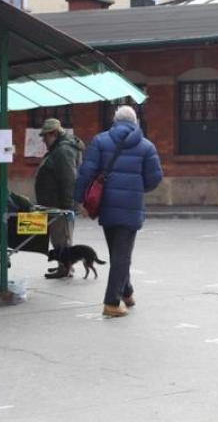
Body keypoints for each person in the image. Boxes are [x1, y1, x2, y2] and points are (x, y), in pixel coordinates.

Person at [73, 106, 163, 318]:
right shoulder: (146, 146)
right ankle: (112, 303)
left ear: (115, 120)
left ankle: (127, 292)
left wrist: (79, 200)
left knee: (118, 253)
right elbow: (155, 178)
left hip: (106, 204)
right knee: (121, 255)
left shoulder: (100, 141)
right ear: (135, 122)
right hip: (131, 206)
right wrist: (138, 188)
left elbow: (86, 172)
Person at [34, 118, 82, 279]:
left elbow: (69, 179)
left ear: (54, 134)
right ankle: (63, 265)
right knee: (58, 237)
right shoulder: (60, 148)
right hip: (55, 203)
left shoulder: (63, 150)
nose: (43, 140)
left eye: (45, 136)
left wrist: (67, 208)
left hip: (60, 204)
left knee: (62, 237)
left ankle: (66, 268)